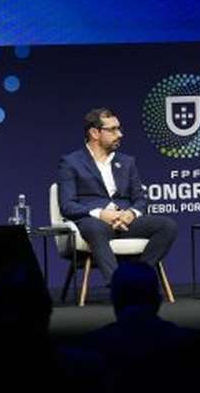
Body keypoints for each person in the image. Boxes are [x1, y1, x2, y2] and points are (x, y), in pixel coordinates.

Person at [57, 108, 176, 284]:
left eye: (119, 128)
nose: (119, 134)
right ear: (95, 133)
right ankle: (117, 284)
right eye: (112, 129)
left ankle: (137, 278)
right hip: (95, 223)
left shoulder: (127, 162)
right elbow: (67, 205)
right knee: (94, 228)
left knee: (167, 226)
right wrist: (101, 214)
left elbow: (140, 199)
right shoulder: (71, 162)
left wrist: (131, 213)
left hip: (126, 223)